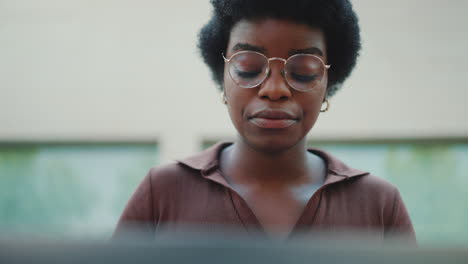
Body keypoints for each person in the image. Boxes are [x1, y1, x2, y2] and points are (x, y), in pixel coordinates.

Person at [113, 0, 416, 243]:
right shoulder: (164, 191)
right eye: (247, 67)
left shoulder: (377, 203)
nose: (275, 89)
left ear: (327, 81)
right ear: (223, 78)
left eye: (303, 72)